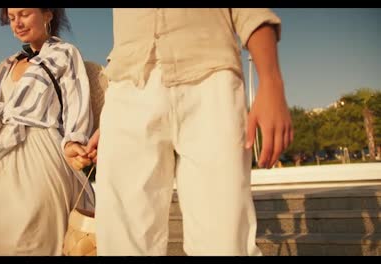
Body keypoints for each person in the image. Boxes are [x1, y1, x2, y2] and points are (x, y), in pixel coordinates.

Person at [70, 8, 293, 256]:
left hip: (210, 78)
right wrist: (113, 116)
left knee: (223, 238)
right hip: (128, 86)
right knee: (122, 240)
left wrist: (271, 82)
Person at [0, 8, 95, 256]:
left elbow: (77, 101)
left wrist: (73, 141)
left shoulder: (64, 53)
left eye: (24, 13)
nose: (17, 23)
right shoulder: (5, 66)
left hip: (40, 159)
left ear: (48, 14)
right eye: (12, 18)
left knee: (31, 242)